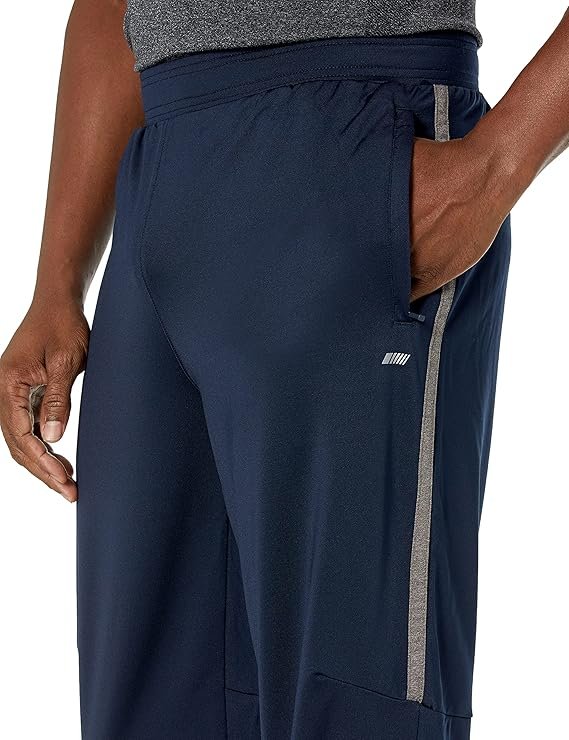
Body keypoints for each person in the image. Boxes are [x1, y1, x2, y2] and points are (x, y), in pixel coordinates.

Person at [0, 1, 568, 737]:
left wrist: (494, 168)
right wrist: (56, 282)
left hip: (351, 136)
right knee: (150, 705)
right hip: (158, 171)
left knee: (354, 704)